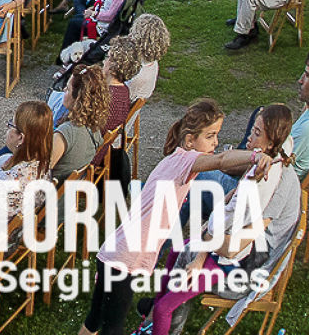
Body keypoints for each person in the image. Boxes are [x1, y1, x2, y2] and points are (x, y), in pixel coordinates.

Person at [78, 100, 275, 335]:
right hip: (125, 257)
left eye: (217, 136)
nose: (216, 142)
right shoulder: (186, 161)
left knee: (96, 318)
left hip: (115, 250)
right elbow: (222, 161)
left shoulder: (177, 159)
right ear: (190, 140)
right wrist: (255, 156)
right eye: (210, 136)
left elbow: (223, 165)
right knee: (113, 327)